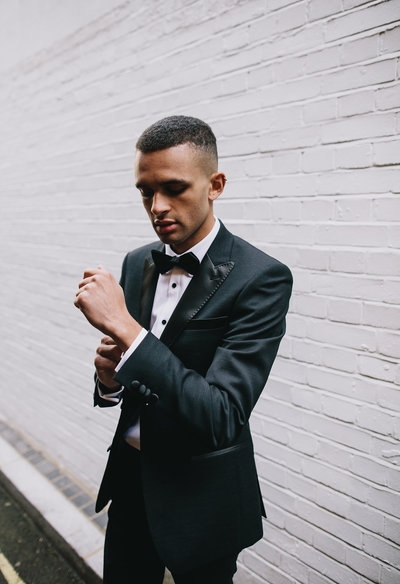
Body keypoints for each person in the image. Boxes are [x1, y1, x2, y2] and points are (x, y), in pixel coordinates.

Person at [74, 115, 292, 584]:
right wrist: (109, 382)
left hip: (203, 497)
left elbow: (222, 416)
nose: (157, 207)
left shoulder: (262, 278)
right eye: (145, 192)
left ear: (215, 185)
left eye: (174, 188)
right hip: (131, 482)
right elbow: (133, 374)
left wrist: (127, 330)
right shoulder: (137, 261)